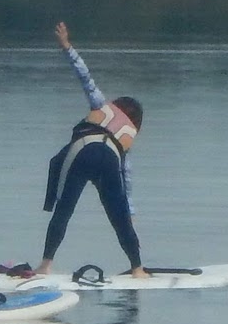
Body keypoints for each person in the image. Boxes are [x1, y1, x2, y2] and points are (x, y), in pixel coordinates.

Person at [32, 20, 146, 279]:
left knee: (64, 210)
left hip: (83, 151)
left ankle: (45, 265)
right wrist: (130, 214)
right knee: (119, 219)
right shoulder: (128, 137)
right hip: (109, 160)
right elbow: (126, 178)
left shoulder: (102, 105)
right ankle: (138, 268)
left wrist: (67, 47)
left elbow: (84, 76)